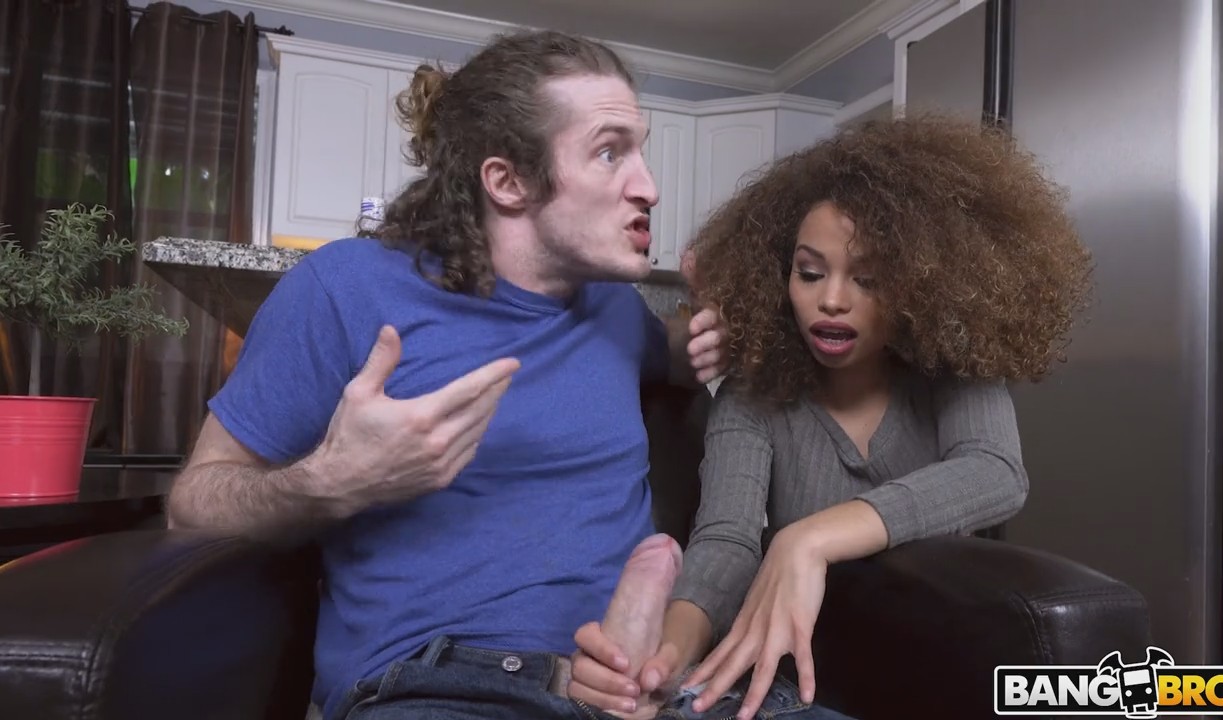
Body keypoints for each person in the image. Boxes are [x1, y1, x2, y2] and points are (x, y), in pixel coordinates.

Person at [165, 29, 730, 720]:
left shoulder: (612, 305)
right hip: (443, 688)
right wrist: (331, 481)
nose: (649, 187)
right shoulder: (346, 288)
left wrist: (713, 325)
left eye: (640, 151)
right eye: (610, 152)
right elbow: (192, 506)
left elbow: (676, 355)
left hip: (641, 684)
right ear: (508, 181)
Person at [568, 113, 1095, 720]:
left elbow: (995, 472)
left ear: (923, 286)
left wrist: (809, 539)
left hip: (937, 663)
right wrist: (665, 658)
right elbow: (726, 540)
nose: (832, 300)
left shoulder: (952, 373)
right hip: (805, 681)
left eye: (868, 279)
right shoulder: (752, 394)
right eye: (810, 273)